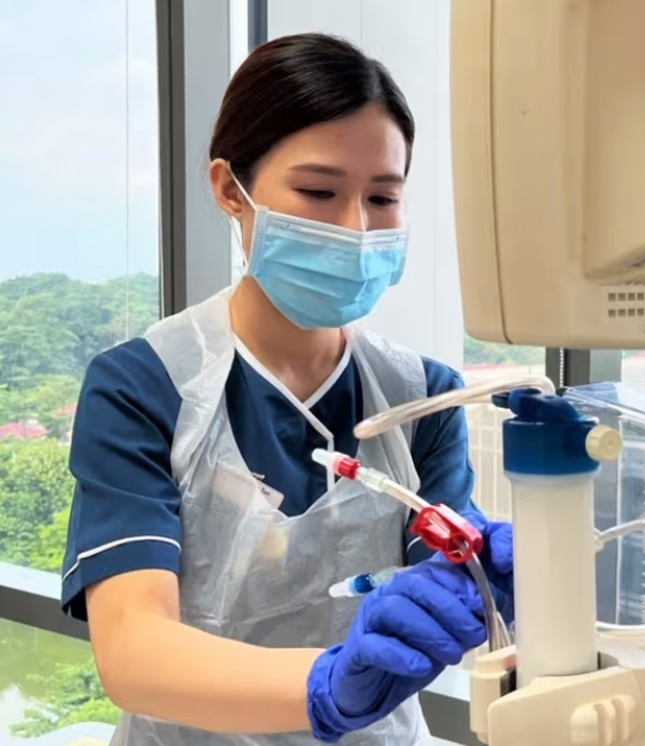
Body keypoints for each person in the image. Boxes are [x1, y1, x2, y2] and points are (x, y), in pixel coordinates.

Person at [60, 33, 515, 745]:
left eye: (383, 197)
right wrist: (324, 686)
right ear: (227, 189)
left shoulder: (423, 398)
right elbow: (134, 647)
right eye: (318, 191)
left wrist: (486, 586)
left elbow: (450, 599)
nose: (356, 228)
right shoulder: (144, 387)